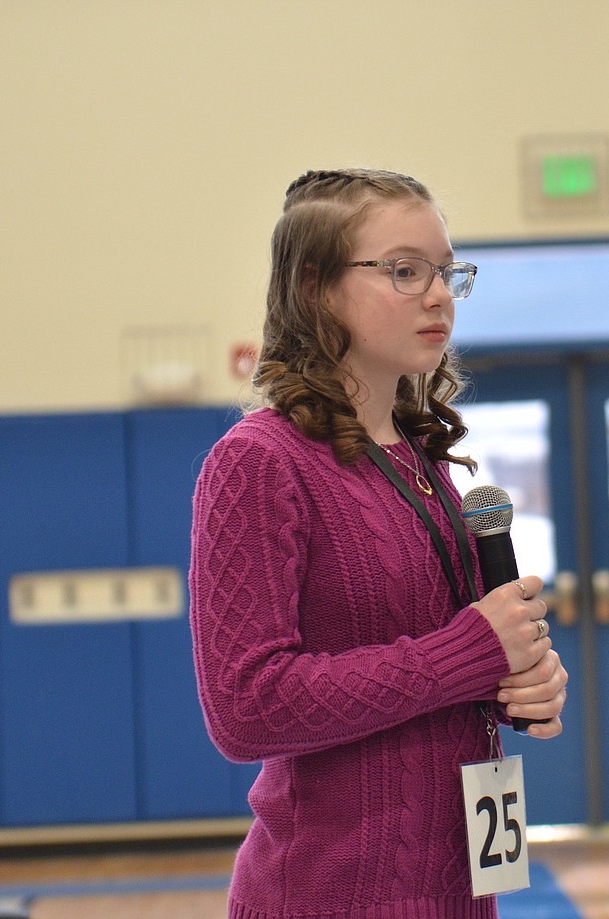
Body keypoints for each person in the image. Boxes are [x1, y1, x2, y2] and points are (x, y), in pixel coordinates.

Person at [189, 168, 568, 919]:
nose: (438, 294)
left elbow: (452, 661)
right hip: (333, 895)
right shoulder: (260, 461)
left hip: (458, 888)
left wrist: (522, 677)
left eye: (447, 271)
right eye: (404, 270)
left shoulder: (422, 462)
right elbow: (245, 707)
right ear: (315, 287)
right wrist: (470, 651)